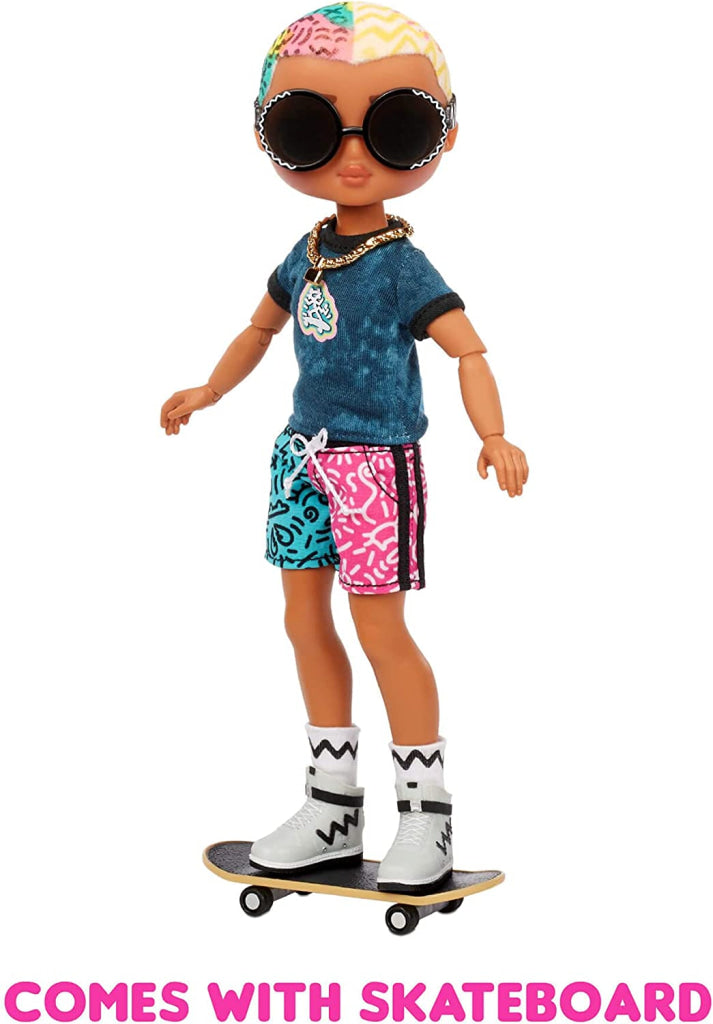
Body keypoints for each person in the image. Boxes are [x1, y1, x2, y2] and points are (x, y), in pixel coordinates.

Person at [160, 2, 528, 894]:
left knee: (380, 628)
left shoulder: (401, 264)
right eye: (307, 129)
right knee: (301, 619)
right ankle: (331, 808)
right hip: (300, 457)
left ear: (444, 135)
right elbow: (258, 329)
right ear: (266, 135)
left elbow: (466, 348)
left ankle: (426, 818)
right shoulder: (307, 250)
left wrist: (492, 432)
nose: (354, 157)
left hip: (374, 466)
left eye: (398, 128)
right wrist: (210, 389)